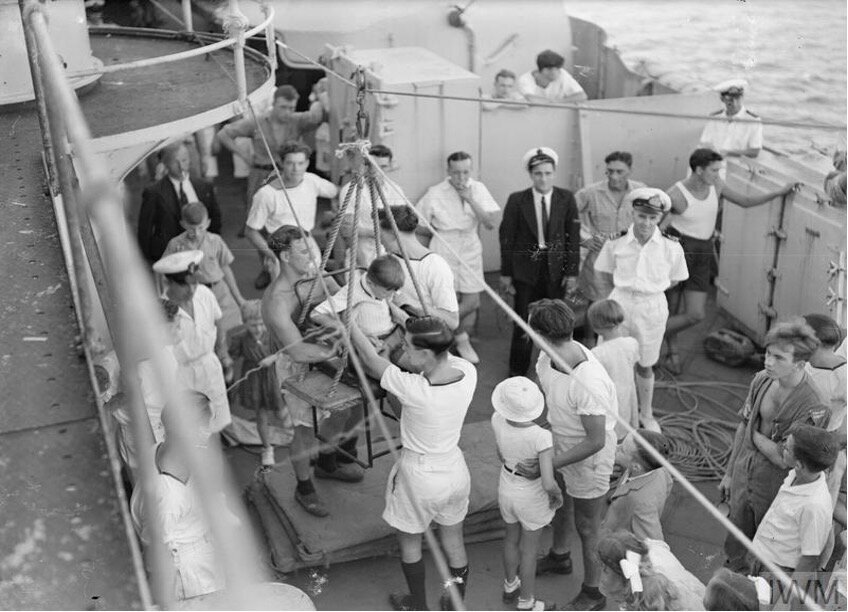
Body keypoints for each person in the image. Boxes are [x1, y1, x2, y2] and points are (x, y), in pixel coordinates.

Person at [350, 316, 477, 612]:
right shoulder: (467, 371)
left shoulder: (413, 389)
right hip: (455, 471)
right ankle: (455, 602)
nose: (402, 350)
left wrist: (348, 324)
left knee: (410, 545)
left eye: (407, 347)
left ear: (426, 354)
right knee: (453, 541)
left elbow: (370, 362)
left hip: (419, 476)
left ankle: (418, 606)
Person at [518, 299, 617, 611]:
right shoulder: (548, 359)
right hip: (561, 441)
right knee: (560, 504)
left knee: (589, 527)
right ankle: (560, 557)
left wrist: (546, 463)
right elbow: (545, 396)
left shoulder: (588, 381)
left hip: (589, 459)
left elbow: (595, 440)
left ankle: (594, 592)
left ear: (542, 336)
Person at [662, 149, 799, 373]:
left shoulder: (716, 186)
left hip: (702, 251)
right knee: (671, 307)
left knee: (695, 314)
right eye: (714, 170)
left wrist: (779, 192)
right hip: (678, 249)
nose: (718, 174)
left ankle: (647, 335)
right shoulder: (675, 195)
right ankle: (672, 353)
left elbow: (745, 201)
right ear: (698, 170)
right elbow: (654, 224)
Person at [261, 226, 360, 517]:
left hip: (328, 354)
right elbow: (297, 351)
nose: (312, 256)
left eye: (311, 250)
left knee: (345, 409)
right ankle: (304, 487)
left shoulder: (316, 279)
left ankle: (328, 461)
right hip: (298, 368)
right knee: (305, 431)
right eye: (304, 252)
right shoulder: (276, 301)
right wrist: (338, 351)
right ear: (285, 256)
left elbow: (341, 302)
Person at [719, 318, 831, 572]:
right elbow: (742, 425)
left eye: (779, 358)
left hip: (774, 485)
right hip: (743, 472)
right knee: (735, 534)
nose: (769, 362)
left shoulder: (815, 405)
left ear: (800, 364)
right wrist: (728, 472)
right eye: (768, 354)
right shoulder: (761, 379)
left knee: (768, 546)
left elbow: (784, 458)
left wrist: (753, 433)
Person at [594, 187, 688, 432]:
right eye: (641, 216)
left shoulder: (671, 247)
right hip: (620, 303)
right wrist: (608, 304)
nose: (646, 222)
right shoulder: (617, 241)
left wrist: (653, 289)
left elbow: (677, 278)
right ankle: (608, 411)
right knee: (610, 358)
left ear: (660, 218)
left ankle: (646, 413)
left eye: (652, 218)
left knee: (645, 363)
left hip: (652, 305)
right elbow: (602, 272)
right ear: (632, 213)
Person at [130, 394, 228, 600]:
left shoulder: (156, 449)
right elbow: (157, 549)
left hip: (196, 550)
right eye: (206, 423)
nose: (210, 429)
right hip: (188, 571)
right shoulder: (169, 495)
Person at [499, 147, 581, 377]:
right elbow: (507, 238)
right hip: (525, 271)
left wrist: (572, 272)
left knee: (556, 320)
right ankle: (517, 371)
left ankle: (554, 368)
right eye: (538, 174)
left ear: (554, 173)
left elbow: (572, 236)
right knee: (523, 321)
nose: (543, 178)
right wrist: (506, 273)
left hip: (555, 271)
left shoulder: (566, 198)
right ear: (530, 175)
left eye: (547, 173)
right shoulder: (517, 200)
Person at [416, 151, 500, 364]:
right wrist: (437, 237)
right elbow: (419, 224)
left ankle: (438, 331)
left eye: (465, 172)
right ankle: (461, 340)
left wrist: (470, 199)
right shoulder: (435, 192)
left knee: (472, 301)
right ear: (448, 171)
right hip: (444, 246)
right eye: (456, 173)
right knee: (448, 301)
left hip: (470, 246)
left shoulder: (478, 189)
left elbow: (489, 223)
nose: (461, 178)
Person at [491, 377, 563, 611]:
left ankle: (510, 584)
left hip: (506, 486)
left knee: (511, 539)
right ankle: (526, 601)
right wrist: (557, 495)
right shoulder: (541, 436)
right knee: (529, 552)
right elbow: (548, 480)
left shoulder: (497, 420)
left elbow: (501, 455)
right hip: (530, 497)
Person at [215, 85, 327, 230]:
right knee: (257, 222)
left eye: (291, 108)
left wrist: (320, 93)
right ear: (273, 104)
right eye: (283, 107)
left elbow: (320, 115)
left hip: (286, 175)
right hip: (260, 175)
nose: (287, 112)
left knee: (287, 218)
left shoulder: (297, 120)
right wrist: (244, 155)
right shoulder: (257, 122)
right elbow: (223, 134)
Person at [153, 250, 234, 435]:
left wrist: (224, 354)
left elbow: (218, 321)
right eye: (183, 285)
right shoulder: (162, 313)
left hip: (210, 367)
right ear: (168, 283)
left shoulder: (204, 293)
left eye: (194, 283)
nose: (191, 290)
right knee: (190, 432)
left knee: (216, 424)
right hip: (182, 377)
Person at [750, 424, 838, 592]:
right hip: (762, 554)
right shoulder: (795, 475)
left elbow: (810, 557)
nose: (781, 448)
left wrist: (793, 599)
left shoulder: (814, 505)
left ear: (798, 465)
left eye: (787, 449)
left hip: (775, 571)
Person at [246, 142, 337, 285]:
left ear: (307, 163)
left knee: (314, 288)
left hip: (307, 241)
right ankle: (267, 270)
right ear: (281, 163)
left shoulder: (311, 180)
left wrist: (332, 213)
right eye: (290, 163)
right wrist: (273, 256)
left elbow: (337, 191)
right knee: (287, 295)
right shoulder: (265, 194)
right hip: (281, 248)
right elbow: (250, 231)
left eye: (300, 163)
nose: (296, 169)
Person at [575, 151, 646, 311]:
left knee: (627, 305)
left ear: (630, 171)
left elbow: (653, 217)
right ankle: (589, 338)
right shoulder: (591, 192)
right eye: (609, 171)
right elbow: (567, 216)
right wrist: (584, 238)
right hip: (600, 258)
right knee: (597, 305)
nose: (613, 176)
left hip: (630, 258)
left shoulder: (640, 191)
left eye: (619, 172)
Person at [163, 202, 246, 335]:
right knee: (201, 332)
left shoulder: (216, 241)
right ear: (183, 224)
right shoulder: (175, 245)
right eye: (191, 229)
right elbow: (165, 273)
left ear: (208, 223)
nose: (196, 233)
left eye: (201, 228)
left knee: (231, 331)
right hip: (193, 294)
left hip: (220, 292)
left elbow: (226, 268)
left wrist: (239, 298)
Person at [137, 142, 222, 264]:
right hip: (170, 257)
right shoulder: (154, 192)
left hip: (201, 255)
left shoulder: (204, 187)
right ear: (165, 164)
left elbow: (215, 219)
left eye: (184, 160)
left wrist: (213, 247)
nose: (180, 166)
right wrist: (150, 260)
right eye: (174, 162)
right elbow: (144, 230)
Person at [379, 206, 460, 331]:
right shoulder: (387, 258)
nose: (378, 238)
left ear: (393, 233)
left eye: (380, 233)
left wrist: (411, 306)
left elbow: (452, 322)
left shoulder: (434, 265)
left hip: (420, 338)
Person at [228, 300, 287, 467]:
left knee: (281, 410)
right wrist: (228, 369)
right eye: (253, 325)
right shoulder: (239, 338)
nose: (258, 329)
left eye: (261, 324)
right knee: (261, 415)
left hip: (273, 377)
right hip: (254, 381)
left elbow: (285, 352)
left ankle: (290, 433)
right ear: (245, 323)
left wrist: (273, 358)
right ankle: (267, 447)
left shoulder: (272, 334)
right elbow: (232, 357)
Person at [310, 255, 406, 357]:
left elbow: (393, 303)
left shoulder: (383, 286)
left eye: (394, 291)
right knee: (390, 366)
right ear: (370, 283)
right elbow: (315, 314)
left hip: (395, 331)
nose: (392, 295)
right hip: (376, 341)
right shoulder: (352, 292)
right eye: (386, 293)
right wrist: (342, 328)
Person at [598, 531, 706, 611]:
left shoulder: (650, 603)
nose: (600, 575)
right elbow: (660, 546)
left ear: (626, 579)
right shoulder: (652, 551)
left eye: (605, 570)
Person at [803, 313, 847, 505]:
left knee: (822, 508)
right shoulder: (807, 367)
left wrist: (836, 440)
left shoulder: (842, 376)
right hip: (804, 443)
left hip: (828, 448)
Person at [339, 144, 407, 266]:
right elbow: (347, 232)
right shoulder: (350, 190)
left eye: (383, 167)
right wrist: (364, 265)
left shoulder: (396, 190)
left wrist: (363, 231)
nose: (376, 171)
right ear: (366, 165)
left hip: (392, 256)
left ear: (390, 166)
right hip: (360, 256)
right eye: (373, 165)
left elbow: (401, 228)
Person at [602, 430, 674, 541]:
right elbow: (669, 484)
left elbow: (654, 540)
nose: (616, 448)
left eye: (622, 450)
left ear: (636, 467)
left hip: (621, 538)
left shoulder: (642, 504)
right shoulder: (660, 470)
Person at [587, 299, 641, 439]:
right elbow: (633, 368)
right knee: (625, 421)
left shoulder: (597, 353)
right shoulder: (632, 343)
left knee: (610, 428)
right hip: (627, 390)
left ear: (596, 327)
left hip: (609, 397)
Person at [698, 79, 762, 159]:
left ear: (742, 97)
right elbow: (704, 144)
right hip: (714, 163)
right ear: (722, 99)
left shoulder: (752, 120)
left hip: (737, 166)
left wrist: (728, 153)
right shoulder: (715, 118)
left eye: (737, 98)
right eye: (729, 99)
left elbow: (754, 151)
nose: (734, 103)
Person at [516, 49, 587, 103]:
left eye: (558, 68)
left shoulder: (562, 74)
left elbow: (581, 96)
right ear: (541, 69)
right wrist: (558, 102)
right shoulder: (525, 79)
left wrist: (556, 103)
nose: (555, 72)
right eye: (550, 69)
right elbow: (531, 99)